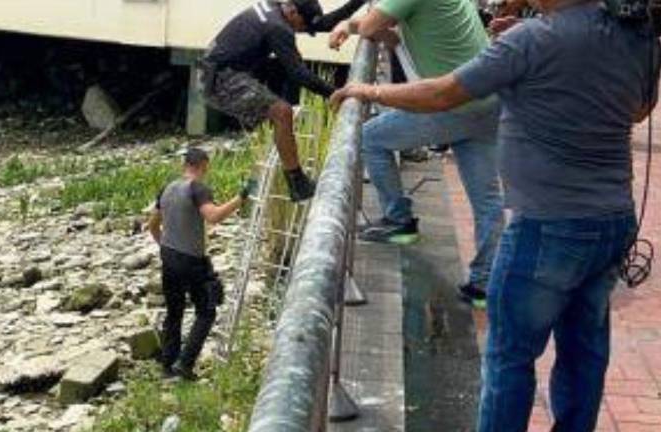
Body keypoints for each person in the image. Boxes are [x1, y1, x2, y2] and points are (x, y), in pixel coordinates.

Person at [330, 0, 660, 429]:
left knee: (510, 357)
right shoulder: (632, 32)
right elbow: (639, 109)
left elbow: (441, 94)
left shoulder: (533, 39)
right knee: (585, 350)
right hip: (613, 220)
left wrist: (368, 91)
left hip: (547, 227)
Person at [328, 0, 504, 305]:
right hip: (488, 100)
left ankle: (398, 219)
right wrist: (355, 25)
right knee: (487, 199)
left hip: (453, 107)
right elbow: (389, 32)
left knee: (369, 138)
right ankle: (486, 283)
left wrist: (352, 26)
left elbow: (371, 25)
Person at [201, 0, 336, 202]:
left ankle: (296, 181)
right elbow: (299, 74)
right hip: (218, 78)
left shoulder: (276, 7)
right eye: (301, 25)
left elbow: (321, 23)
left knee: (281, 111)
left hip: (216, 70)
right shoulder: (278, 27)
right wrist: (335, 93)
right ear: (293, 12)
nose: (300, 30)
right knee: (282, 112)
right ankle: (297, 184)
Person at [147, 148, 254, 380]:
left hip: (168, 256)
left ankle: (167, 365)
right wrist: (241, 197)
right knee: (206, 310)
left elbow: (152, 225)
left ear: (184, 164)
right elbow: (213, 216)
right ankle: (185, 364)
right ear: (204, 165)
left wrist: (164, 246)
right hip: (192, 259)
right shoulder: (197, 188)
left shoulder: (166, 189)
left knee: (174, 312)